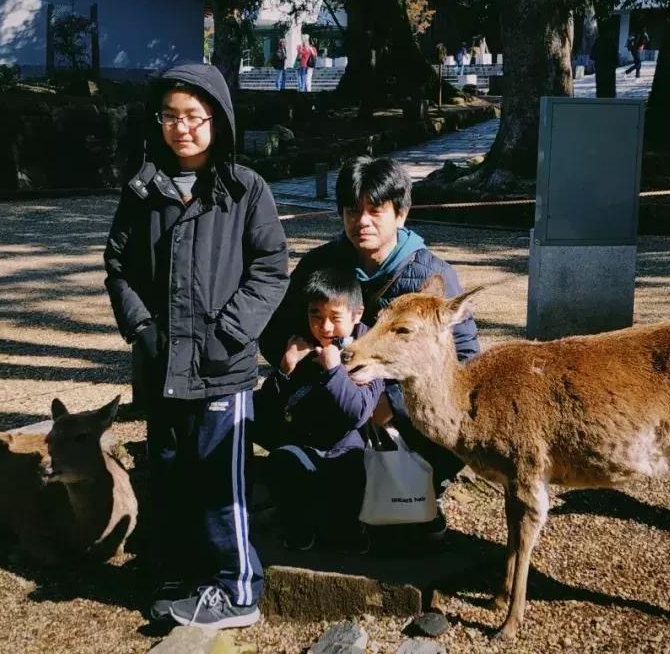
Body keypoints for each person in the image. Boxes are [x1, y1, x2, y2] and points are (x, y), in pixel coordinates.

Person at [103, 63, 289, 630]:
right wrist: (143, 331)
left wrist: (227, 334)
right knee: (170, 472)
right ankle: (181, 574)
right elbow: (117, 266)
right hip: (163, 368)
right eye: (170, 116)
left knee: (218, 481)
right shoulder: (144, 190)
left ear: (217, 121)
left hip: (220, 371)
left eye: (193, 117)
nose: (181, 128)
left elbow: (272, 269)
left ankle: (236, 589)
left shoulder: (244, 189)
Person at [259, 156, 480, 540]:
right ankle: (316, 487)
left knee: (445, 427)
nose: (362, 221)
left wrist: (392, 404)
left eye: (375, 210)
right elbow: (276, 332)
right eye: (352, 210)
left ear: (401, 214)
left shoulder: (432, 274)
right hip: (331, 397)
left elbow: (465, 359)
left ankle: (421, 494)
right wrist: (306, 362)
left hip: (400, 413)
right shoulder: (320, 265)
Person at [256, 268, 385, 552]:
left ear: (357, 314)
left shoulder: (369, 351)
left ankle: (347, 530)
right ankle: (299, 527)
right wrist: (285, 370)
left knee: (348, 471)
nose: (325, 327)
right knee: (283, 461)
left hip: (346, 446)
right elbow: (268, 408)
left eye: (335, 318)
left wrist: (334, 371)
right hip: (304, 441)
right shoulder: (300, 343)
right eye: (316, 315)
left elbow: (358, 412)